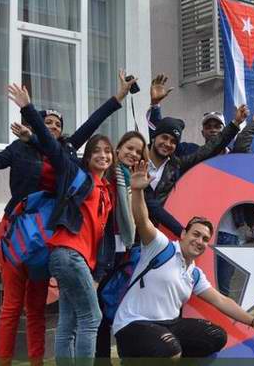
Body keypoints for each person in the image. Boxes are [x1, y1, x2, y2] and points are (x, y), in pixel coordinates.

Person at [0, 72, 135, 366]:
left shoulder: (66, 153)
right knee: (11, 305)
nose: (54, 127)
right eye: (49, 123)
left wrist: (119, 96)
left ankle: (36, 362)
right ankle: (4, 361)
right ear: (36, 125)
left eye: (59, 125)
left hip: (48, 235)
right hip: (16, 230)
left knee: (36, 307)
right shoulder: (19, 150)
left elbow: (93, 125)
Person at [113, 160, 254, 359]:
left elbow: (221, 300)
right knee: (170, 350)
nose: (199, 241)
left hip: (169, 324)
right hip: (134, 324)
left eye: (205, 239)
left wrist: (252, 322)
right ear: (183, 234)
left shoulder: (194, 273)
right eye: (196, 234)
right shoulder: (160, 247)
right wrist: (138, 190)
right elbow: (142, 220)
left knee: (215, 337)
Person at [6, 84, 117, 364]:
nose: (103, 155)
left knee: (69, 321)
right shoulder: (77, 177)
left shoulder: (107, 189)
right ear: (86, 157)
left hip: (76, 259)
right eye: (97, 152)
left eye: (108, 151)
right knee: (92, 318)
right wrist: (28, 110)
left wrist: (120, 96)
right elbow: (53, 146)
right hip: (68, 254)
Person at [144, 101, 245, 238]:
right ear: (155, 136)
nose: (168, 144)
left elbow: (210, 149)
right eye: (164, 137)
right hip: (135, 236)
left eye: (173, 141)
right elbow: (151, 204)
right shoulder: (138, 164)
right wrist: (181, 231)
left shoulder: (177, 166)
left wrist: (235, 123)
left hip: (162, 235)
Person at [94, 131, 148, 360]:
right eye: (129, 148)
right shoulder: (108, 174)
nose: (133, 154)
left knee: (119, 308)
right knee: (99, 311)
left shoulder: (134, 179)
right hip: (102, 251)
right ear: (118, 149)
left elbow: (140, 215)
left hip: (125, 251)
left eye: (138, 151)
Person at [145, 74, 225, 159]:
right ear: (202, 133)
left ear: (225, 130)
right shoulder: (191, 151)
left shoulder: (235, 155)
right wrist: (155, 105)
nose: (213, 130)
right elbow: (161, 134)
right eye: (208, 127)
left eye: (217, 127)